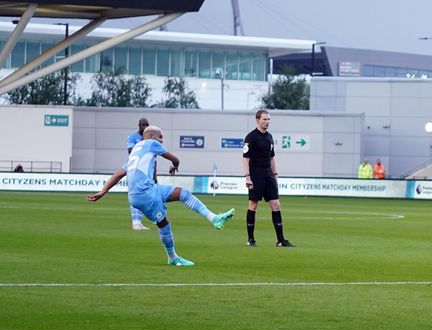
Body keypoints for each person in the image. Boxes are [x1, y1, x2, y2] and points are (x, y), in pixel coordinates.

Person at [88, 126, 235, 266]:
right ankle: (173, 258)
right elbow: (175, 159)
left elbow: (119, 173)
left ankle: (214, 218)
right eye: (160, 137)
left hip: (146, 191)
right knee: (163, 224)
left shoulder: (135, 152)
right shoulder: (151, 143)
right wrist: (175, 166)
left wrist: (103, 191)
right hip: (145, 194)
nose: (162, 140)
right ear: (151, 136)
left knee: (183, 193)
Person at [242, 109, 294, 247]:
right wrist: (247, 177)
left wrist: (275, 174)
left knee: (276, 204)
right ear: (257, 120)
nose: (267, 122)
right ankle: (251, 239)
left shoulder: (270, 137)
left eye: (269, 119)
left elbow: (272, 157)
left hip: (268, 174)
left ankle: (281, 240)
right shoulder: (251, 137)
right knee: (253, 205)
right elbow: (245, 159)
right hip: (255, 174)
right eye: (265, 119)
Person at [126, 117, 150, 230]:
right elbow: (130, 151)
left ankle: (139, 222)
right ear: (139, 125)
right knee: (135, 193)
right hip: (134, 168)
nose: (145, 127)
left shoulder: (150, 139)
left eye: (147, 125)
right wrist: (142, 142)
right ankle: (135, 222)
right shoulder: (133, 137)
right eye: (143, 125)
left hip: (145, 169)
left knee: (144, 195)